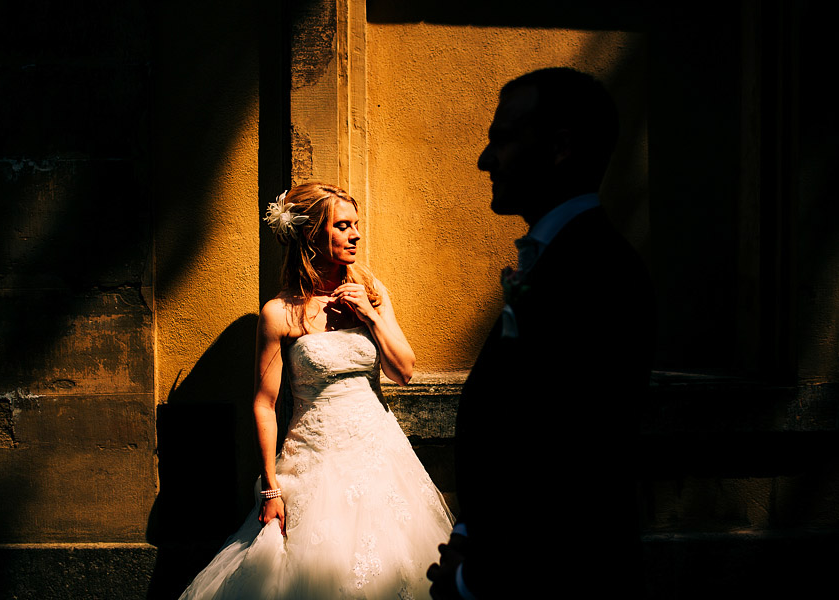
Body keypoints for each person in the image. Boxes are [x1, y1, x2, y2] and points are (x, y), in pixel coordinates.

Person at [427, 68, 655, 598]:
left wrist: (472, 581)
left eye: (503, 140)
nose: (485, 160)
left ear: (559, 148)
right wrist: (469, 536)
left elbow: (572, 463)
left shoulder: (598, 271)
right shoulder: (559, 258)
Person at [179, 182, 454, 600]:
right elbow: (265, 404)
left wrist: (369, 315)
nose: (355, 235)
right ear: (310, 235)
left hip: (381, 454)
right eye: (343, 226)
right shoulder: (280, 313)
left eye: (356, 224)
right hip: (315, 459)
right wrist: (270, 487)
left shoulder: (373, 292)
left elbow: (404, 372)